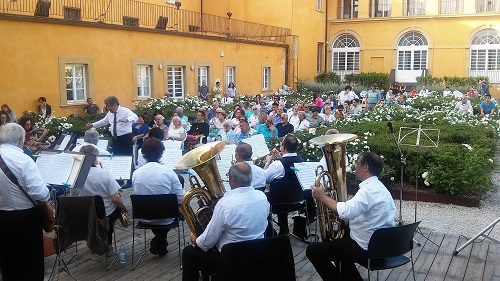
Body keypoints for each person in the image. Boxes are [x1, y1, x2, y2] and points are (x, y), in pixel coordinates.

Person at [306, 152, 396, 281]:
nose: (355, 168)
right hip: (381, 245)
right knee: (336, 242)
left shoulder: (368, 190)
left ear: (366, 167)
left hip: (366, 248)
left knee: (313, 250)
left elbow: (346, 212)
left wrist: (322, 197)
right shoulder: (379, 187)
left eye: (358, 164)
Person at [182, 162, 269, 281]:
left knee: (188, 253)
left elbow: (207, 243)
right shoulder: (262, 197)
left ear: (232, 180)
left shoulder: (225, 204)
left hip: (231, 260)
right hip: (257, 254)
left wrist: (195, 239)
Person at [0, 123, 50, 281]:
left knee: (8, 261)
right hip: (25, 218)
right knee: (30, 263)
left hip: (2, 216)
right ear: (21, 139)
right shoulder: (23, 159)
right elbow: (40, 194)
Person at [133, 138, 185, 256]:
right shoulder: (169, 172)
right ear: (161, 154)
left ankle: (159, 240)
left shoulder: (136, 173)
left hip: (143, 216)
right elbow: (182, 199)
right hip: (167, 217)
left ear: (144, 154)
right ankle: (160, 240)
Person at [264, 134, 316, 235]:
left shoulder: (277, 164)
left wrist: (267, 162)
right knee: (283, 191)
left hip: (278, 204)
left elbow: (264, 179)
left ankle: (277, 230)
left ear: (283, 148)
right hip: (299, 202)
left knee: (267, 195)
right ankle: (284, 228)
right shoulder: (302, 162)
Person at [78, 145, 128, 250]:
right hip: (105, 214)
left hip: (85, 213)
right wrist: (124, 209)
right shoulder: (105, 173)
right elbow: (115, 199)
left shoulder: (76, 175)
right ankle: (107, 241)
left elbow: (73, 197)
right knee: (115, 205)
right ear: (95, 157)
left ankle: (93, 240)